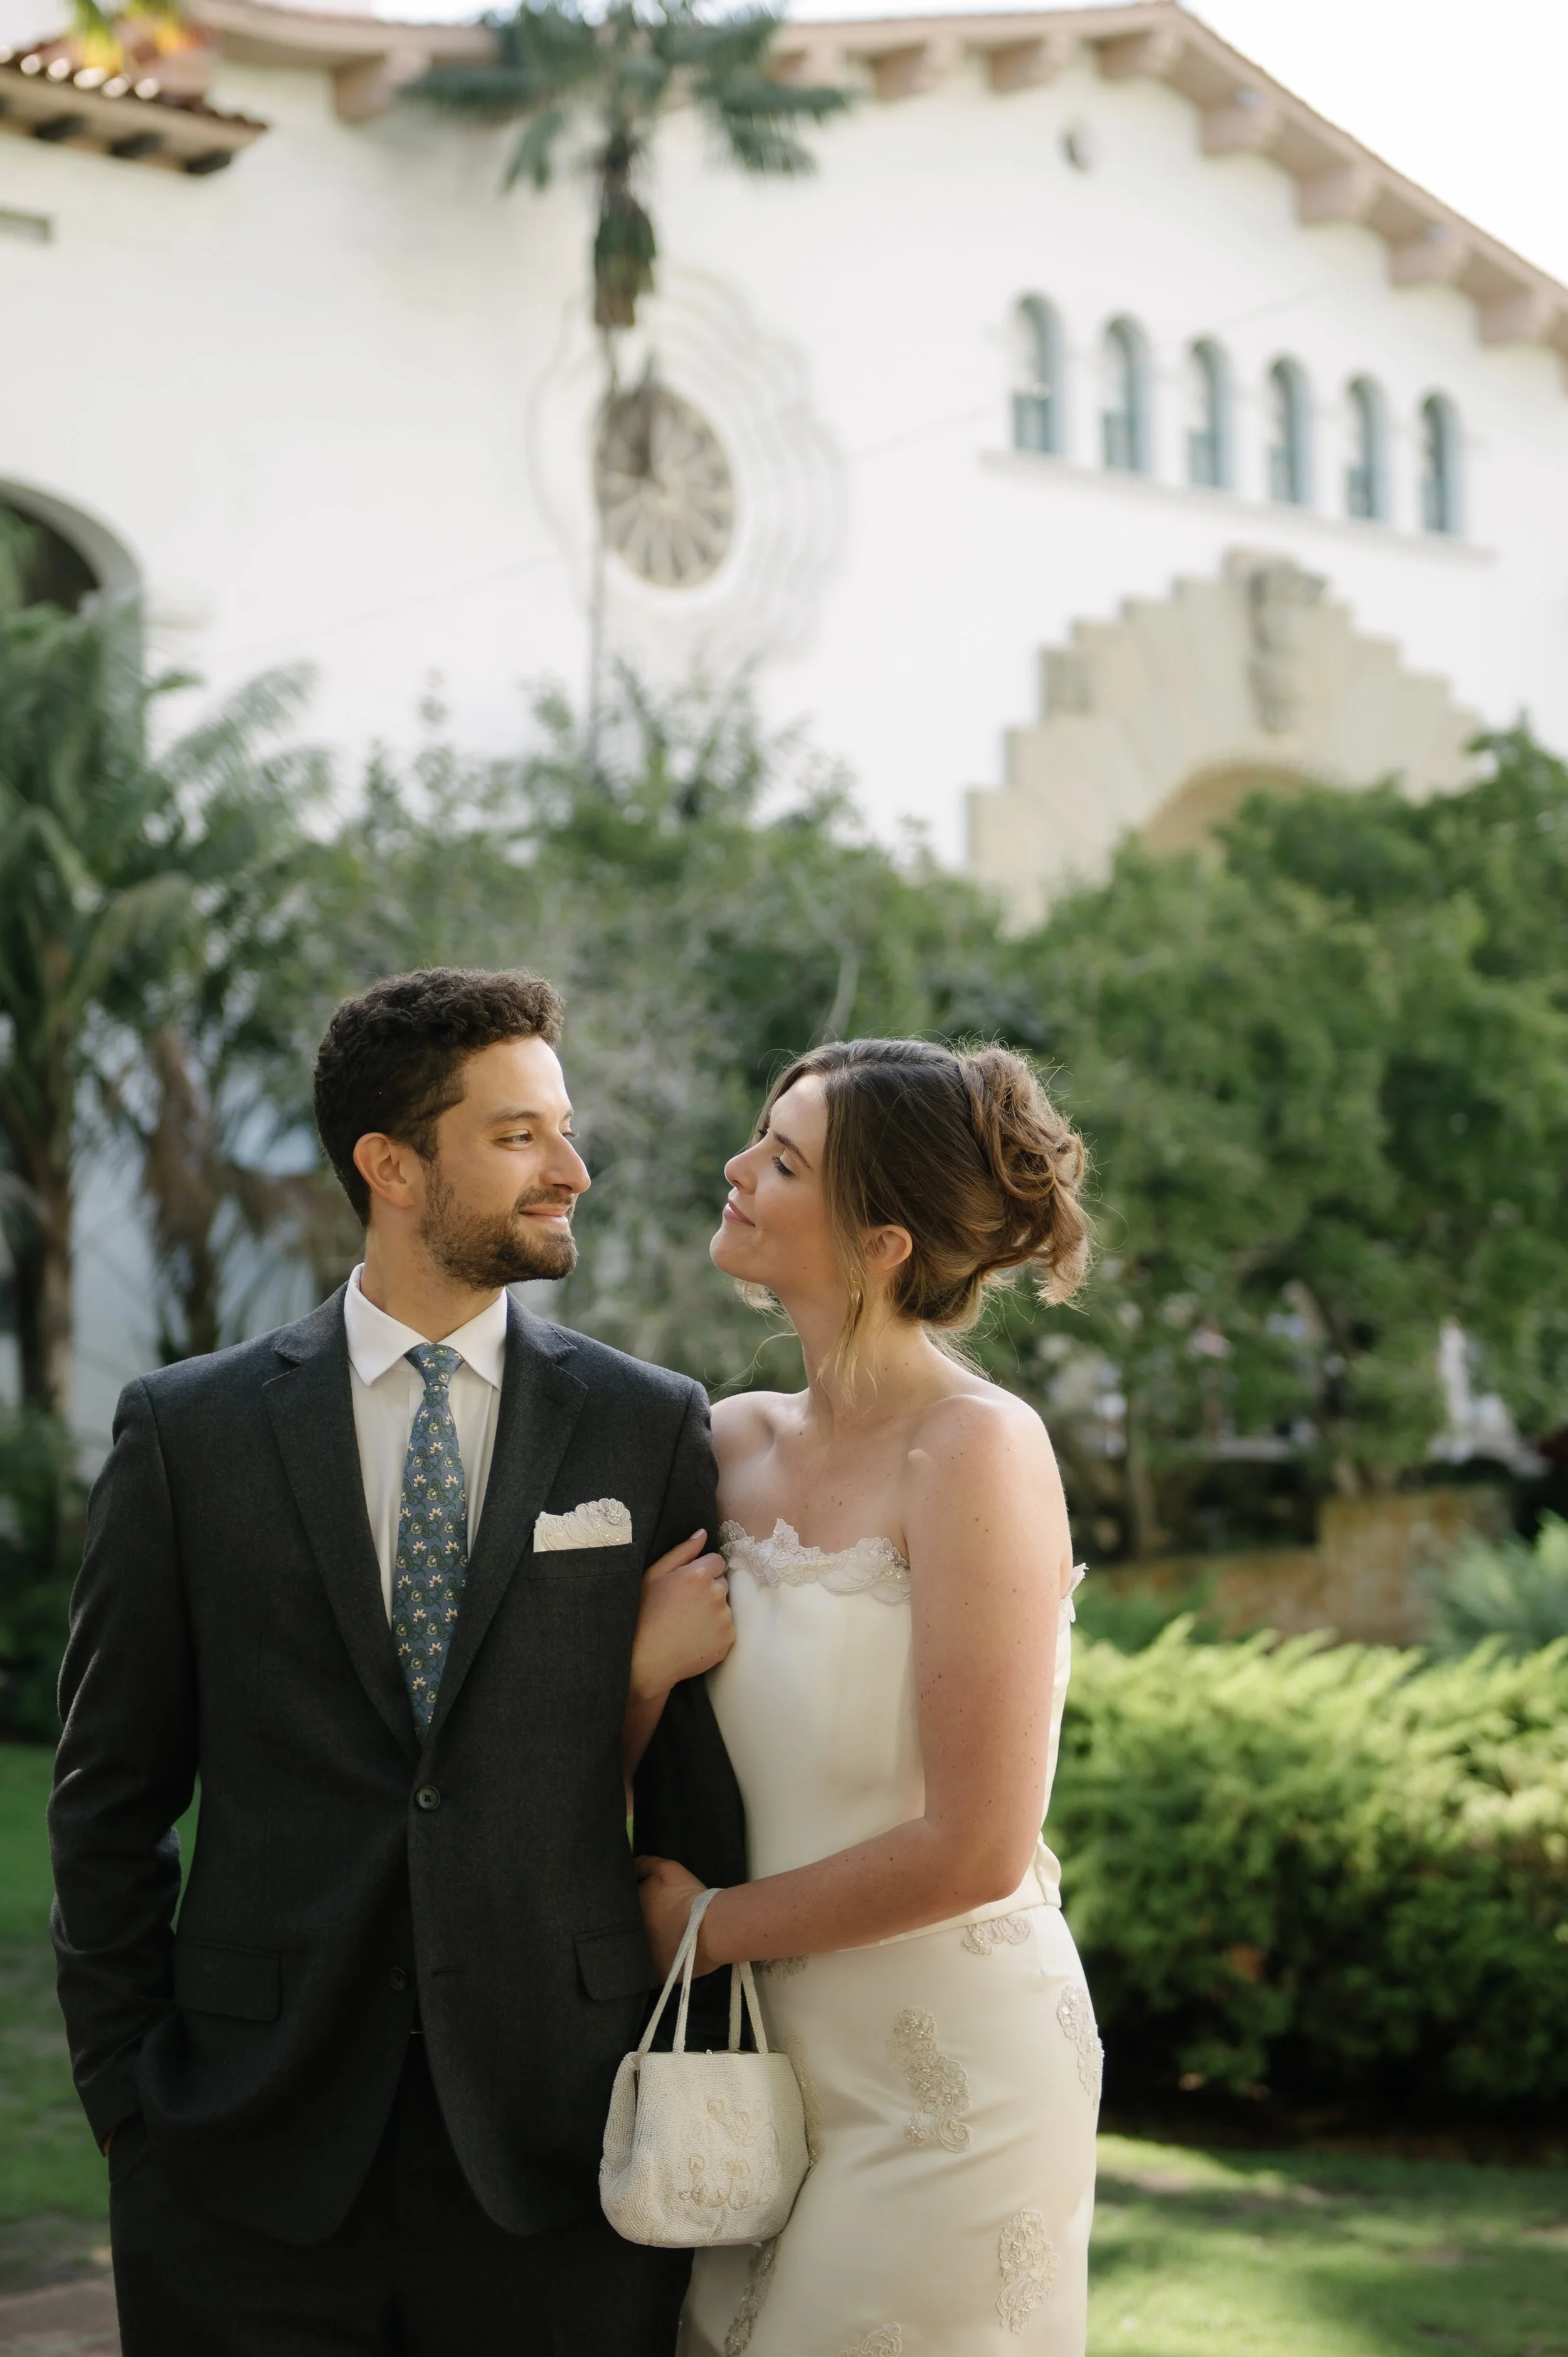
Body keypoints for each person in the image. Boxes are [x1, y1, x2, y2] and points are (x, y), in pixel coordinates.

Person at [48, 967, 745, 2357]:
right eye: (516, 1136)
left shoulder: (644, 1427)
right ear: (391, 1165)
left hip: (564, 2155)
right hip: (241, 2150)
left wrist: (686, 2088)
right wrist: (132, 2103)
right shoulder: (188, 1434)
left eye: (563, 1126)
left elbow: (694, 1810)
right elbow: (107, 1794)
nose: (573, 1169)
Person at [635, 1037, 1100, 2357]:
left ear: (880, 1239)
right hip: (743, 2072)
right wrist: (635, 1667)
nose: (735, 1170)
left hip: (946, 2079)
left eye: (781, 1159)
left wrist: (705, 1929)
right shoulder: (720, 1441)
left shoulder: (978, 1448)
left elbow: (976, 1843)